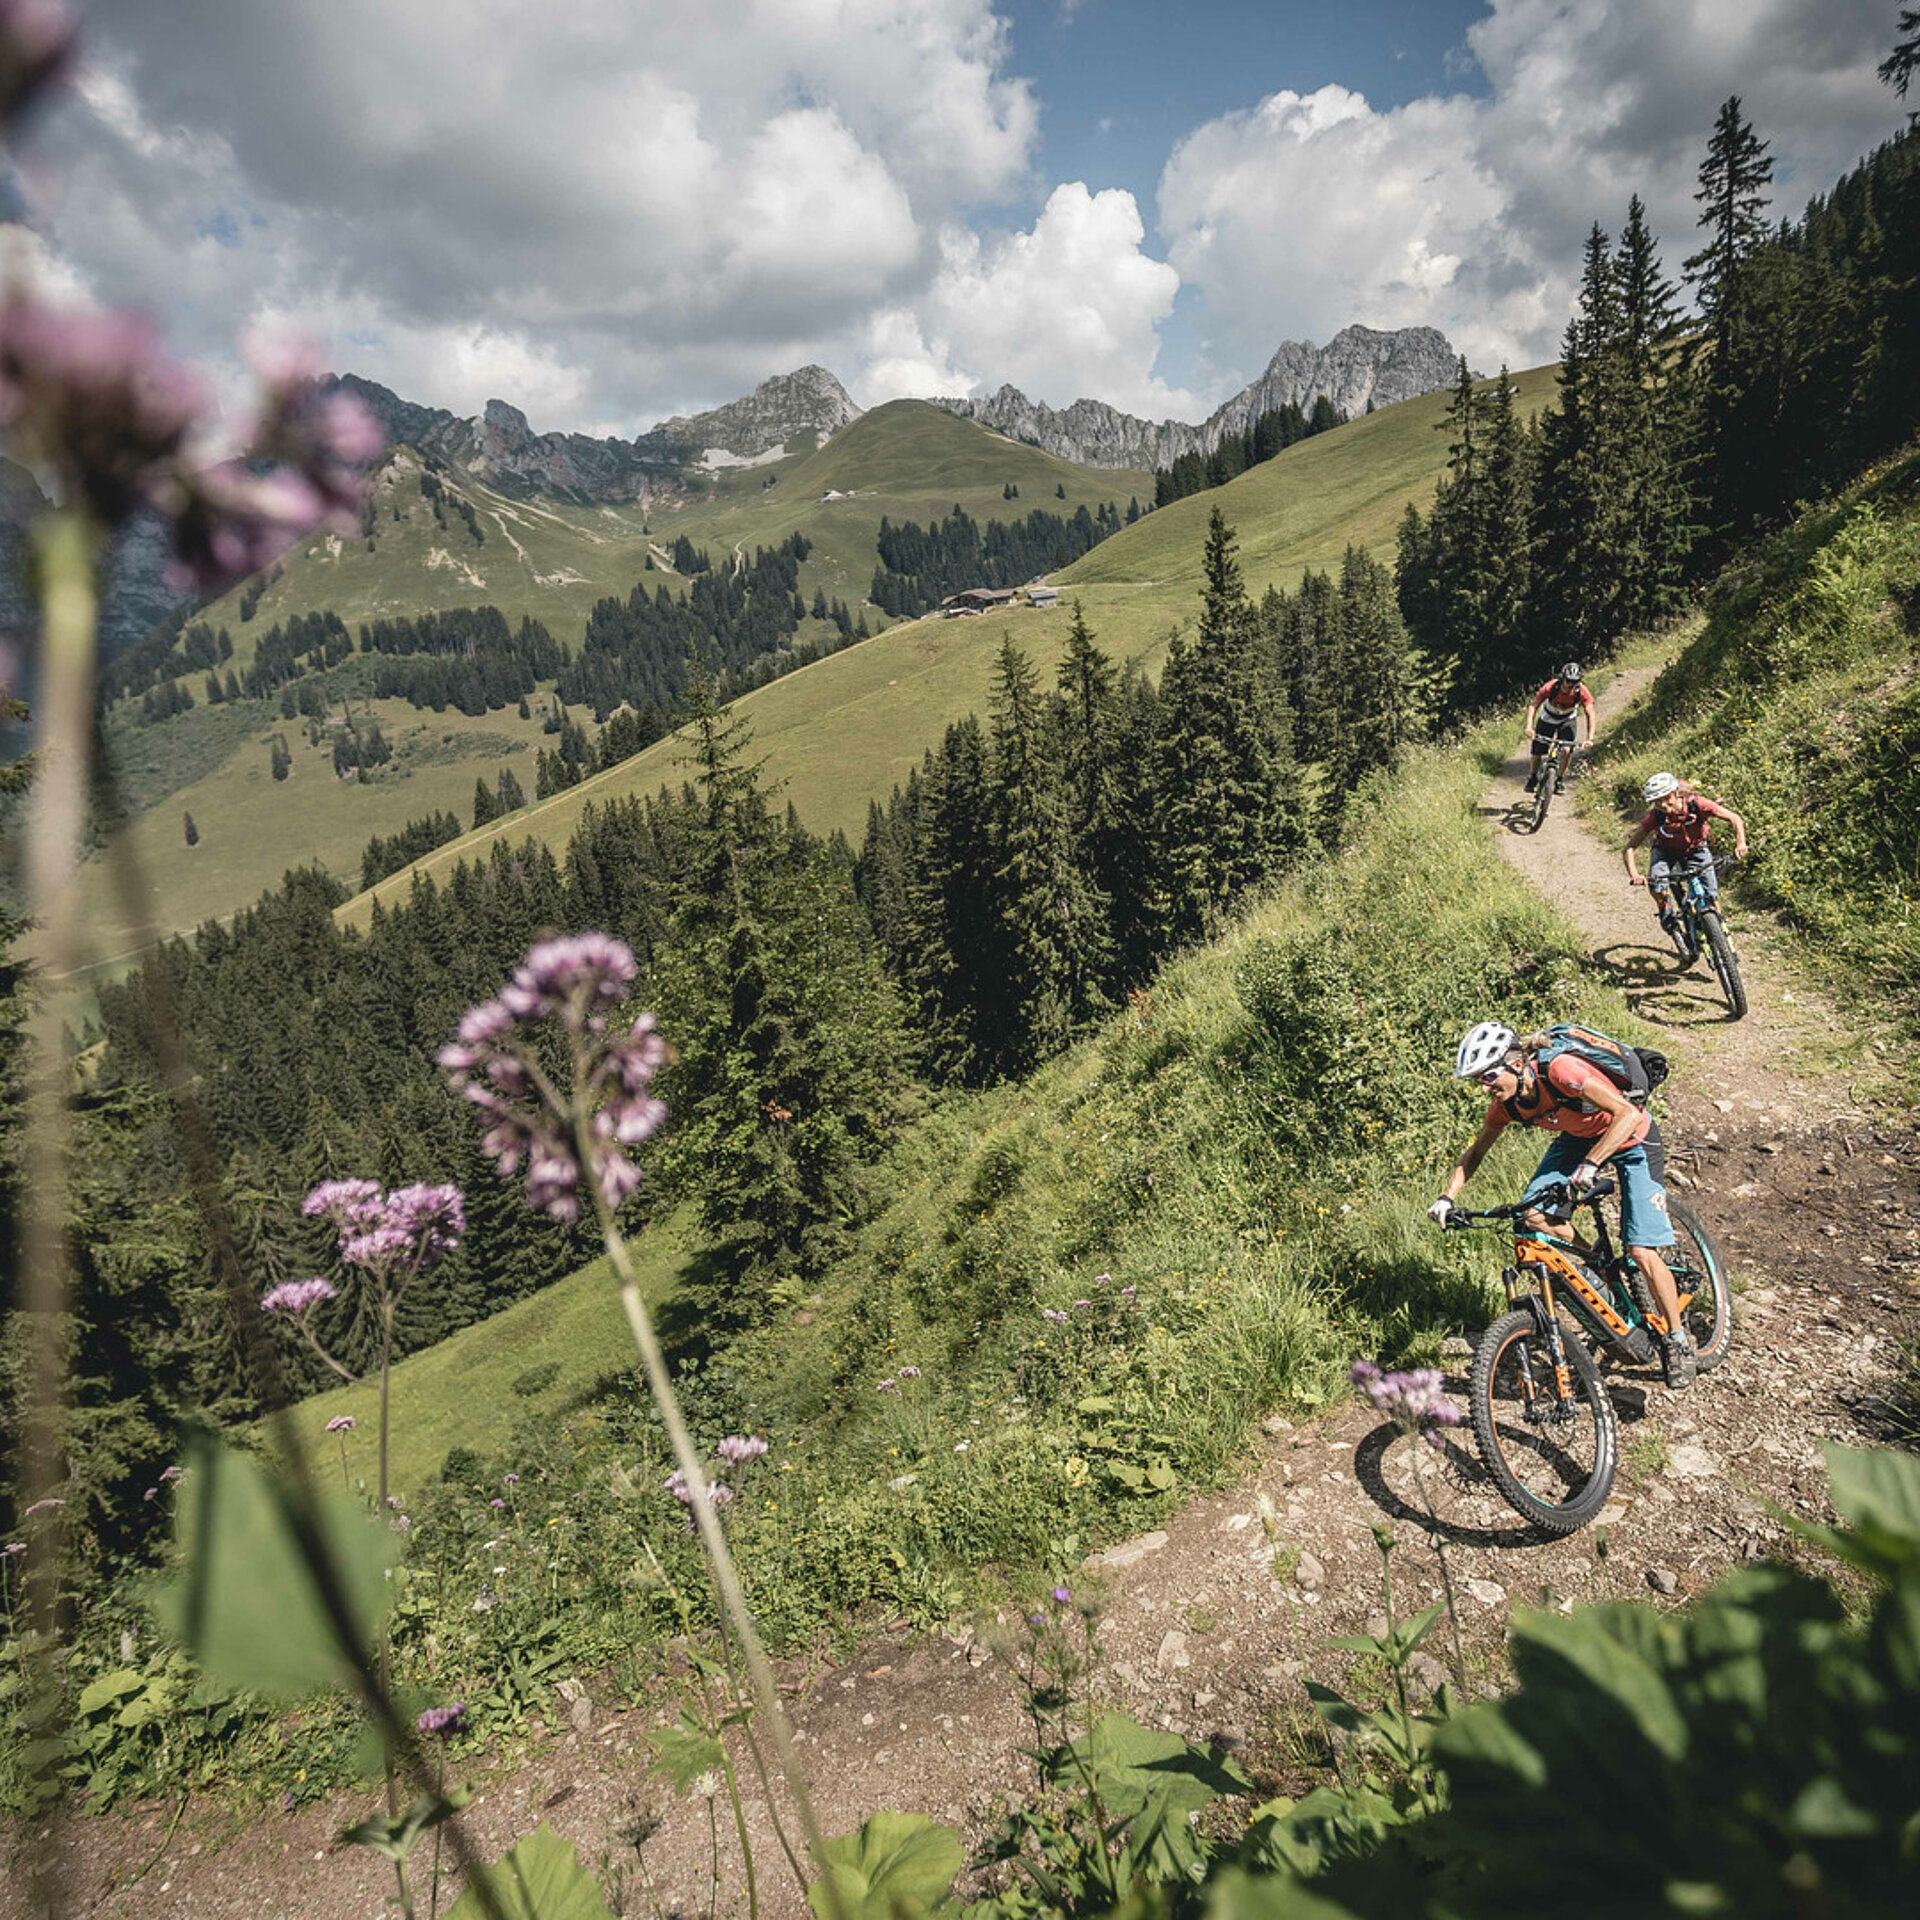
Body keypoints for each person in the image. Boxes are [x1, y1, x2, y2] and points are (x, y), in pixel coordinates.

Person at [1429, 1021, 1695, 1387]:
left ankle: (1678, 1341)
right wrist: (1447, 1197)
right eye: (1479, 1080)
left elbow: (1627, 1114)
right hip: (1578, 1138)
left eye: (1489, 1076)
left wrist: (1591, 1164)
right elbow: (1475, 1152)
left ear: (1517, 1063)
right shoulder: (1507, 1105)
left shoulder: (1560, 1070)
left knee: (1641, 1249)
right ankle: (1598, 1262)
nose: (1485, 1087)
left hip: (1632, 1137)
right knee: (1532, 1215)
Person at [1623, 772, 1750, 949]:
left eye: (1665, 798)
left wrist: (1740, 843)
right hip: (1665, 850)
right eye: (1656, 801)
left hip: (1696, 848)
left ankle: (1716, 928)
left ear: (1675, 793)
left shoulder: (1697, 804)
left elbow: (1734, 818)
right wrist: (1635, 874)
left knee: (1711, 894)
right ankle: (1664, 907)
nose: (1662, 804)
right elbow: (1629, 848)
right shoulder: (1656, 817)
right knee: (1657, 882)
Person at [1523, 662, 1593, 794]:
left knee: (1566, 750)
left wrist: (1590, 738)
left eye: (1574, 682)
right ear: (1562, 678)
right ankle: (1533, 777)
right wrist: (1529, 727)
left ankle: (1559, 780)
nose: (1570, 685)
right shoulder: (1551, 687)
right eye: (1568, 681)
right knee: (1537, 750)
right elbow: (1533, 705)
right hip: (1547, 718)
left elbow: (1590, 713)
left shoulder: (1581, 691)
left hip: (1567, 720)